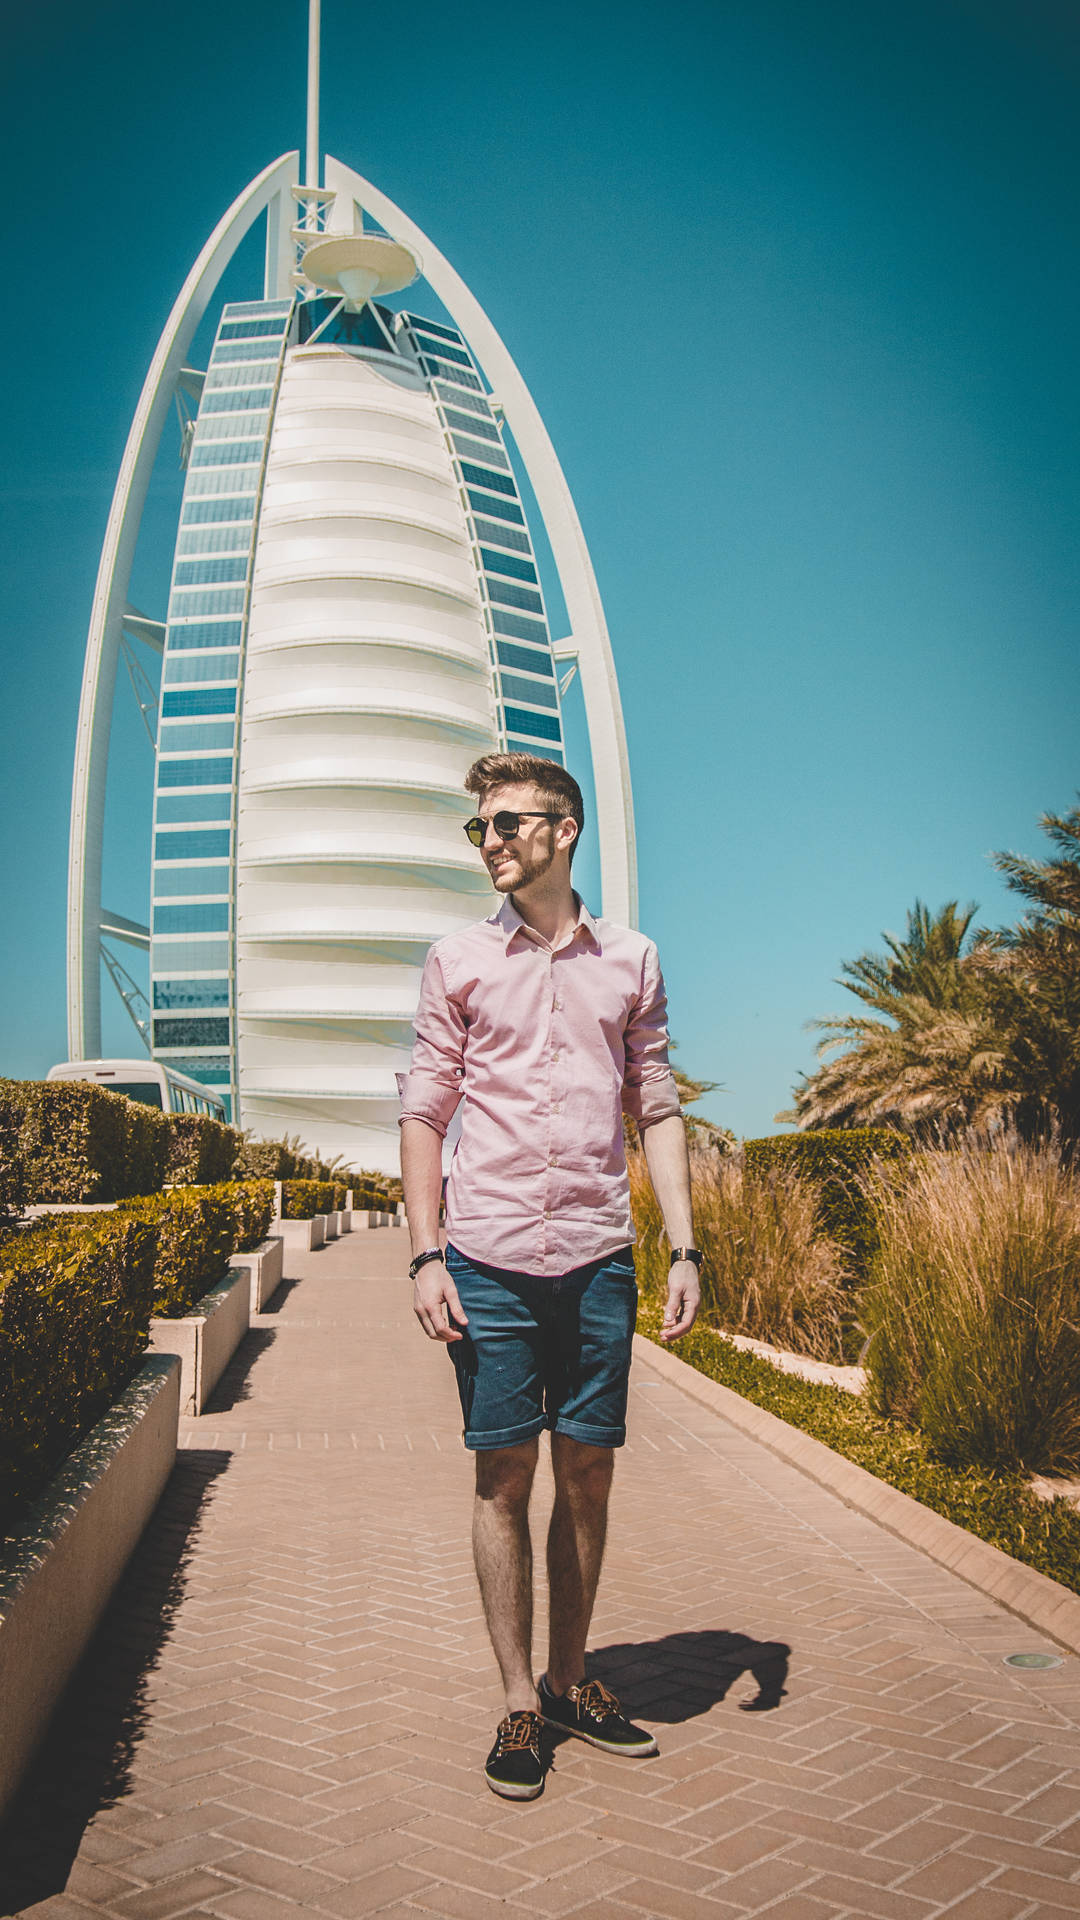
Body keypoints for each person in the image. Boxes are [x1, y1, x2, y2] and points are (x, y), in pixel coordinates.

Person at [399, 752, 701, 1799]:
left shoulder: (633, 960)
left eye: (508, 824)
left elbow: (654, 1104)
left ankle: (574, 1681)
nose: (490, 842)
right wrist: (425, 1252)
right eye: (478, 828)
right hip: (485, 1260)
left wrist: (685, 1246)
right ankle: (519, 1702)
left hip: (597, 1259)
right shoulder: (457, 962)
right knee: (502, 1476)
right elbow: (425, 1111)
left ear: (564, 831)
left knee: (589, 1473)